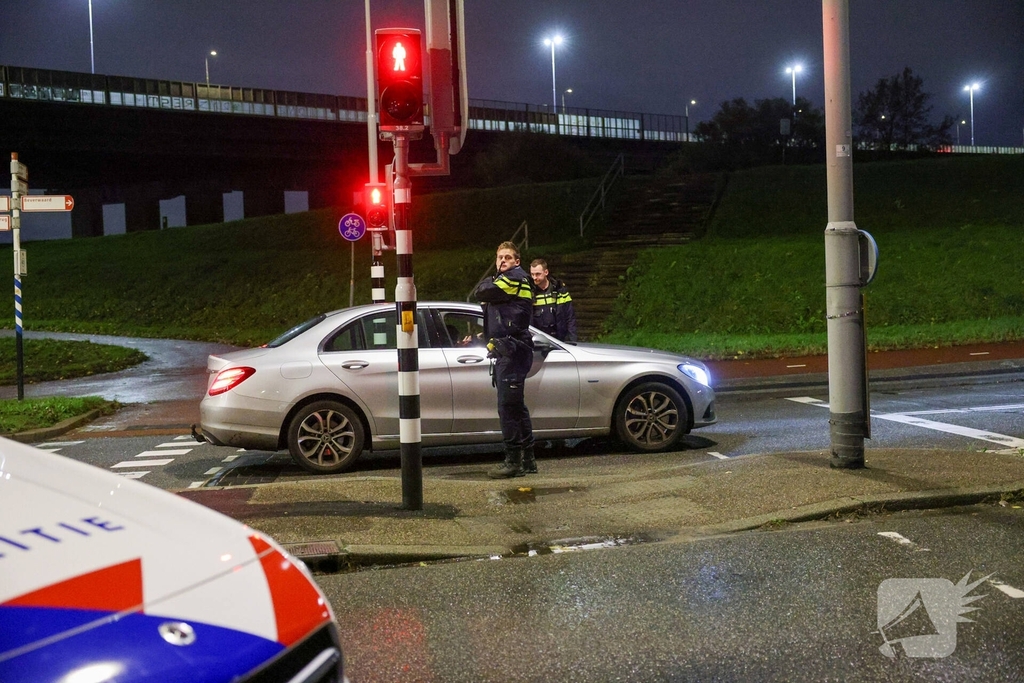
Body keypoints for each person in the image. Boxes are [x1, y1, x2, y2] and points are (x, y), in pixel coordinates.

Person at [474, 241, 537, 477]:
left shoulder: (514, 278)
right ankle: (528, 460)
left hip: (513, 351)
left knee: (507, 408)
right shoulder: (509, 280)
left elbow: (482, 290)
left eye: (507, 257)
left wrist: (490, 286)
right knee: (516, 406)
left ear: (517, 262)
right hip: (512, 349)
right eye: (499, 257)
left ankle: (513, 462)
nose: (502, 261)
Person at [529, 259, 578, 343]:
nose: (534, 278)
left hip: (560, 340)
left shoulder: (560, 290)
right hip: (538, 342)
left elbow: (570, 317)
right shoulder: (529, 292)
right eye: (532, 274)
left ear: (546, 272)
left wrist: (572, 340)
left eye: (538, 274)